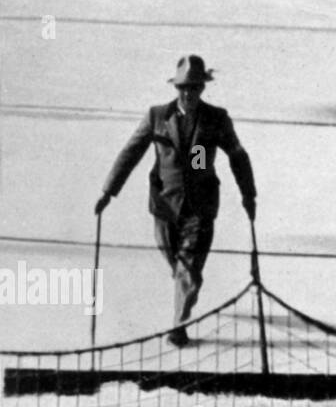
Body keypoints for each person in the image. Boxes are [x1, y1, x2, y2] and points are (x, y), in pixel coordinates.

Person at [95, 55, 256, 347]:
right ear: (176, 88)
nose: (188, 93)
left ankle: (178, 325)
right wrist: (108, 191)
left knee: (188, 267)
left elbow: (237, 155)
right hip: (164, 205)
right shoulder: (157, 116)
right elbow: (131, 152)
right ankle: (185, 283)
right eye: (183, 87)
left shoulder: (216, 119)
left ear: (202, 89)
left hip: (201, 206)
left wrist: (249, 194)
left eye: (194, 88)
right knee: (176, 261)